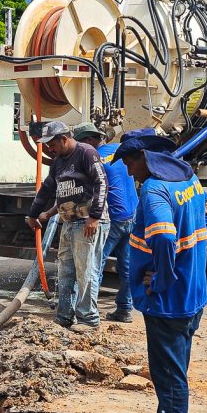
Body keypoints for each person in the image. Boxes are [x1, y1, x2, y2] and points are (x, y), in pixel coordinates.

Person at [116, 133, 207, 413]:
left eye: (129, 162)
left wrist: (161, 277)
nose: (129, 172)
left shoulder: (154, 190)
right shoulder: (188, 179)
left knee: (169, 375)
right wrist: (194, 251)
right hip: (193, 294)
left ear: (143, 157)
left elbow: (162, 237)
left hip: (168, 301)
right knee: (174, 369)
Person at [25, 119, 110, 329]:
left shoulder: (86, 153)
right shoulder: (58, 163)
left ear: (64, 139)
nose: (50, 149)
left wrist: (94, 217)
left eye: (52, 144)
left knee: (86, 272)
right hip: (69, 222)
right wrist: (34, 214)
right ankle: (64, 316)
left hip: (88, 222)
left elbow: (101, 183)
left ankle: (88, 319)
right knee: (66, 272)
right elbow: (47, 189)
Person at [74, 123, 139, 323]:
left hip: (113, 219)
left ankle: (87, 312)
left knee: (94, 264)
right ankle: (125, 309)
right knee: (127, 266)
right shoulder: (119, 150)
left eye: (80, 143)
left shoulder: (93, 158)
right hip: (132, 214)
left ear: (88, 141)